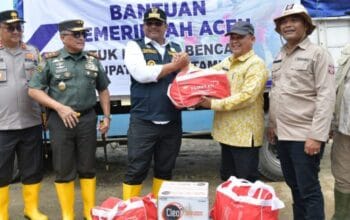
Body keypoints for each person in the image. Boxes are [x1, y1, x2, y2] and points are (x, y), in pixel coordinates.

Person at [28, 19, 111, 220]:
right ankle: (67, 214)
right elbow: (33, 90)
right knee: (63, 168)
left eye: (83, 34)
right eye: (76, 34)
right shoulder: (50, 60)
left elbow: (103, 89)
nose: (81, 38)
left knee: (88, 166)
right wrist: (59, 107)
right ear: (63, 37)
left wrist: (106, 116)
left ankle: (88, 212)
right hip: (60, 120)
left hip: (87, 118)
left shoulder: (92, 60)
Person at [268, 4, 335, 220]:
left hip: (305, 135)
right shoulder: (280, 55)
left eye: (294, 20)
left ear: (306, 25)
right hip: (283, 135)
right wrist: (272, 126)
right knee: (294, 187)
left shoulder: (318, 54)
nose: (288, 25)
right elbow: (277, 94)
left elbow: (326, 97)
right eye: (283, 22)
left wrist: (317, 135)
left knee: (309, 189)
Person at [123, 7, 189, 200]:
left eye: (158, 23)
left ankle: (160, 209)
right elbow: (142, 74)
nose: (153, 27)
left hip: (171, 119)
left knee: (165, 168)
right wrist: (174, 66)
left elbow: (186, 76)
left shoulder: (176, 48)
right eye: (149, 23)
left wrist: (186, 65)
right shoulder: (134, 46)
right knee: (136, 169)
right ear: (144, 26)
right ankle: (129, 211)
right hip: (143, 120)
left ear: (165, 26)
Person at [198, 21, 268, 182]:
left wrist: (213, 104)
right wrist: (185, 69)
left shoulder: (256, 65)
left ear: (252, 39)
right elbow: (208, 74)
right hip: (227, 134)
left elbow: (246, 96)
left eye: (240, 37)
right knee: (228, 180)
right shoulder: (228, 61)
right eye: (232, 38)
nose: (234, 41)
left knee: (245, 183)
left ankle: (248, 208)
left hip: (244, 137)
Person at [0, 10, 48, 220]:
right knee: (1, 172)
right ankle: (2, 213)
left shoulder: (33, 52)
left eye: (19, 27)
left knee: (32, 169)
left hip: (31, 121)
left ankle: (31, 209)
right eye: (10, 27)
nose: (16, 31)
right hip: (2, 125)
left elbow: (43, 85)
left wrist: (45, 113)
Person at [331, 41, 350, 219]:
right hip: (344, 128)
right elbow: (337, 86)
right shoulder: (347, 49)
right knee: (343, 176)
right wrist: (331, 122)